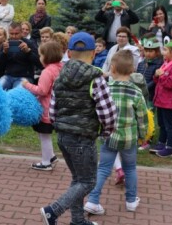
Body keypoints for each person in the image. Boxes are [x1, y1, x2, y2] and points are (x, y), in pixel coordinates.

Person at [40, 32, 116, 225]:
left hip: (64, 136)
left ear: (69, 53)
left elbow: (53, 110)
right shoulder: (96, 78)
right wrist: (106, 132)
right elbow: (107, 112)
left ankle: (78, 221)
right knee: (88, 181)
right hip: (83, 137)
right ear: (92, 54)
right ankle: (52, 211)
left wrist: (60, 127)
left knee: (78, 179)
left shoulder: (60, 76)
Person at [84, 49, 147, 215]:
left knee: (103, 168)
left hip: (108, 135)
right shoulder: (137, 92)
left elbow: (96, 111)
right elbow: (142, 117)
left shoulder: (106, 89)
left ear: (112, 68)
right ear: (133, 69)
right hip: (129, 138)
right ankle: (131, 201)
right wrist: (143, 136)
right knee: (130, 168)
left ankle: (93, 200)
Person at [22, 41, 63, 170]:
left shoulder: (47, 71)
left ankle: (46, 163)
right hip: (56, 107)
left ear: (47, 56)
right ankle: (51, 156)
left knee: (44, 135)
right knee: (45, 134)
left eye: (40, 55)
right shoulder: (61, 67)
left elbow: (42, 90)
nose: (39, 58)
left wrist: (26, 85)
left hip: (46, 109)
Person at [0, 22, 39, 89]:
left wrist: (28, 51)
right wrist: (4, 53)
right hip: (8, 76)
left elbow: (39, 63)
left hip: (25, 76)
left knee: (17, 93)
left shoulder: (29, 43)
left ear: (21, 33)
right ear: (8, 33)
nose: (14, 36)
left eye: (16, 34)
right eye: (11, 34)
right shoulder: (5, 44)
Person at [136, 37, 163, 103]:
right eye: (146, 51)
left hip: (151, 95)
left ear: (157, 52)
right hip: (140, 94)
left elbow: (155, 81)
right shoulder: (141, 64)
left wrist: (144, 89)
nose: (148, 53)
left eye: (151, 51)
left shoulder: (159, 64)